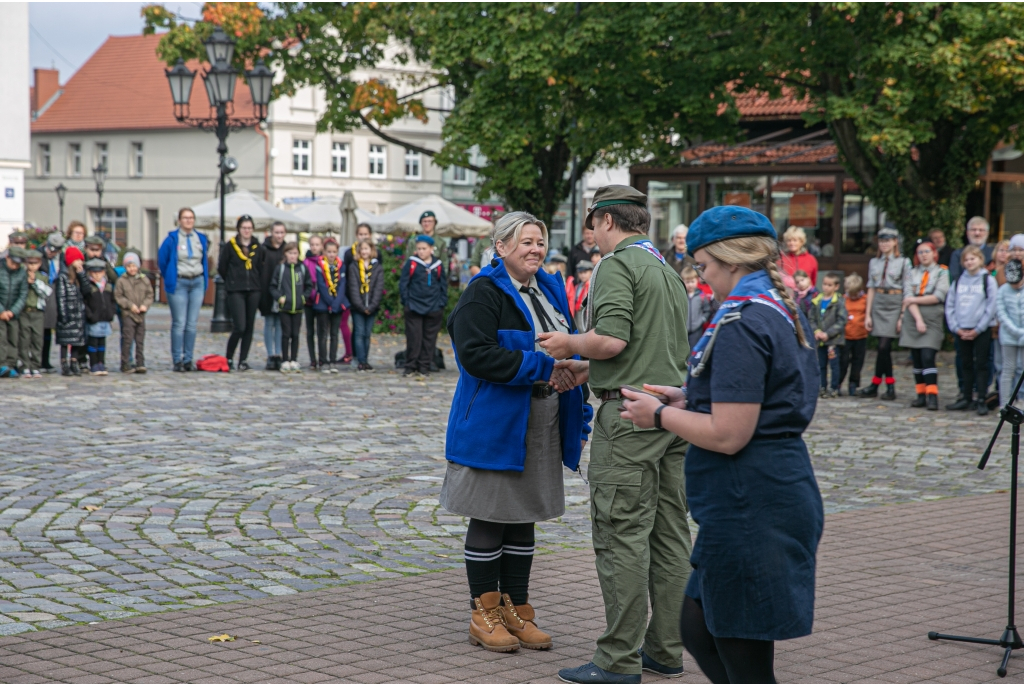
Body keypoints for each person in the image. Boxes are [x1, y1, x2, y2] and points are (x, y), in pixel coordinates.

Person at [617, 205, 823, 685]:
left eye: (704, 266)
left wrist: (661, 415)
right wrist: (692, 396)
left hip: (751, 498)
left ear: (729, 260)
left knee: (740, 651)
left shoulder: (743, 320)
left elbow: (730, 434)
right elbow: (765, 394)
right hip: (763, 490)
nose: (703, 278)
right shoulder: (778, 303)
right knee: (700, 627)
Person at [538, 185, 692, 684]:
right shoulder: (666, 269)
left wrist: (569, 343)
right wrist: (589, 369)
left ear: (607, 221)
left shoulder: (618, 265)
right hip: (667, 413)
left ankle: (617, 659)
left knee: (621, 536)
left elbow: (612, 339)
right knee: (670, 537)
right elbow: (647, 348)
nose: (591, 235)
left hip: (628, 420)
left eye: (592, 224)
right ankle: (665, 650)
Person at [441, 210, 590, 653]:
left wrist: (572, 376)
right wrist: (546, 366)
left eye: (540, 242)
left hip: (541, 419)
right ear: (500, 247)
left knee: (524, 515)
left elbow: (570, 337)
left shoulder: (548, 286)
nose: (535, 249)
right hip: (494, 423)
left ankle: (516, 609)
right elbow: (476, 356)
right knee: (489, 515)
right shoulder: (481, 293)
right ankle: (482, 614)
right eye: (525, 242)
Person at [858, 227, 911, 400]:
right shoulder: (874, 262)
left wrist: (902, 315)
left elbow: (907, 289)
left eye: (888, 240)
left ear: (895, 242)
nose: (884, 244)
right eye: (881, 241)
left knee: (884, 347)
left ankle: (879, 384)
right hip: (879, 302)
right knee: (883, 349)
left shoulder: (904, 262)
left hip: (895, 303)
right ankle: (886, 385)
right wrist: (868, 314)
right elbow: (871, 288)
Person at [946, 245, 998, 415]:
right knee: (965, 363)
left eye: (972, 259)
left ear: (980, 260)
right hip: (961, 328)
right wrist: (955, 327)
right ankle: (966, 397)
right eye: (966, 260)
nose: (969, 262)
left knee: (981, 364)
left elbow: (991, 306)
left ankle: (981, 398)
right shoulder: (959, 281)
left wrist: (979, 328)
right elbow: (950, 305)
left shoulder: (987, 280)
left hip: (981, 329)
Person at [898, 241, 950, 411]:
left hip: (933, 318)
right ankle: (920, 394)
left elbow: (938, 296)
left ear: (934, 253)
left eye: (927, 251)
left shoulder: (942, 271)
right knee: (917, 359)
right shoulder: (911, 273)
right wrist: (918, 318)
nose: (923, 255)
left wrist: (913, 299)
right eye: (920, 252)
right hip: (913, 318)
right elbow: (907, 295)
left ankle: (932, 395)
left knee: (928, 356)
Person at [158, 207, 209, 372]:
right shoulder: (172, 239)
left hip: (197, 282)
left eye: (191, 218)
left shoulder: (200, 238)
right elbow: (162, 260)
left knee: (192, 324)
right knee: (179, 323)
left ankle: (188, 359)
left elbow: (204, 260)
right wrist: (170, 276)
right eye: (185, 218)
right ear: (179, 220)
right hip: (179, 282)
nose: (189, 221)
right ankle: (177, 360)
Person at [219, 215, 262, 372]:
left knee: (249, 326)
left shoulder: (257, 246)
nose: (247, 231)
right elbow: (222, 267)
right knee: (240, 326)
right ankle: (229, 357)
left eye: (249, 228)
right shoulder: (231, 246)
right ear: (239, 229)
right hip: (236, 290)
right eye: (244, 228)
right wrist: (231, 281)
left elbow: (261, 267)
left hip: (254, 290)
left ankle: (243, 359)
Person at [400, 235, 448, 378]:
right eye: (419, 248)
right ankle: (410, 366)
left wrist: (441, 303)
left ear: (431, 249)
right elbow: (404, 284)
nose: (421, 251)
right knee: (414, 338)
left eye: (424, 249)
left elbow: (443, 286)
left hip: (433, 308)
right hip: (414, 306)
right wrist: (406, 302)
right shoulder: (412, 263)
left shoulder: (438, 265)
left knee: (429, 339)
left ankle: (424, 366)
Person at [271, 242, 311, 373]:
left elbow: (309, 286)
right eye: (290, 253)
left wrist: (303, 298)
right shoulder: (281, 269)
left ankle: (294, 359)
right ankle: (285, 359)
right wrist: (279, 297)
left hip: (298, 307)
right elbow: (272, 286)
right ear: (285, 254)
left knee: (295, 334)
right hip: (285, 308)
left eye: (295, 253)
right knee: (286, 334)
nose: (293, 256)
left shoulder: (302, 269)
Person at [346, 239, 384, 372]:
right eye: (362, 249)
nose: (364, 251)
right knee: (359, 333)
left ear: (372, 250)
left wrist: (372, 306)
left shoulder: (377, 267)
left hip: (372, 307)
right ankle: (360, 361)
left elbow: (379, 288)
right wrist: (361, 306)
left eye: (367, 249)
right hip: (358, 307)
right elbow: (353, 288)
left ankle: (365, 360)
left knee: (367, 334)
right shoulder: (354, 266)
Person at [313, 238, 349, 372]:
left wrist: (336, 303)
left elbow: (342, 284)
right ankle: (323, 360)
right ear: (324, 252)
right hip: (323, 302)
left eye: (334, 252)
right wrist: (329, 301)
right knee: (323, 333)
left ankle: (333, 360)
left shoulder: (341, 266)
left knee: (334, 333)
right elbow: (321, 285)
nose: (331, 254)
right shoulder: (320, 265)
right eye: (329, 252)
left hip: (338, 303)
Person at [114, 252, 153, 374]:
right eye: (129, 266)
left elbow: (149, 294)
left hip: (141, 315)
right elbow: (118, 296)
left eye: (134, 265)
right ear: (125, 267)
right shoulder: (121, 281)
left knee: (140, 340)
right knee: (127, 339)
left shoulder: (144, 280)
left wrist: (145, 305)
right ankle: (125, 363)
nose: (132, 268)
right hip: (128, 315)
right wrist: (130, 306)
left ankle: (140, 362)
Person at [809, 273, 847, 399]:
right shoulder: (817, 301)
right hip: (820, 340)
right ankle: (822, 386)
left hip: (833, 341)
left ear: (836, 286)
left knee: (834, 365)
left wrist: (828, 333)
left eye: (829, 285)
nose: (826, 287)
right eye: (824, 284)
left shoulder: (839, 302)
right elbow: (812, 319)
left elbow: (841, 321)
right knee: (821, 365)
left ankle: (834, 387)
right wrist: (817, 331)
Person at [997, 234, 1024, 407]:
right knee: (1007, 369)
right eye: (1013, 249)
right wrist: (1015, 330)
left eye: (1020, 250)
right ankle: (1005, 404)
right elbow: (1000, 308)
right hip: (1008, 333)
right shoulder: (1003, 274)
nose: (1017, 253)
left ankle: (1021, 401)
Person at [257, 221, 288, 371]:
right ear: (271, 233)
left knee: (280, 324)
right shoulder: (263, 249)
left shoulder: (287, 250)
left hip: (282, 293)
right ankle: (270, 355)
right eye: (277, 232)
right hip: (266, 291)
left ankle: (278, 354)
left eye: (282, 232)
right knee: (269, 323)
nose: (279, 235)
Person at [81, 258, 117, 376]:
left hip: (105, 318)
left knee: (102, 342)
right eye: (94, 272)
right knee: (93, 342)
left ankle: (101, 362)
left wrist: (112, 312)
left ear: (104, 272)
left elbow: (112, 301)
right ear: (90, 273)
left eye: (99, 272)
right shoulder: (88, 286)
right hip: (94, 319)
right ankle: (94, 363)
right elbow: (84, 303)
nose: (97, 275)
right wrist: (90, 315)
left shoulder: (108, 286)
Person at [17, 249, 49, 379]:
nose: (32, 266)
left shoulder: (42, 276)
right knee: (24, 339)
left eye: (35, 263)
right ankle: (25, 365)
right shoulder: (21, 275)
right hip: (25, 311)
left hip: (38, 312)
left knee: (37, 340)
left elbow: (46, 292)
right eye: (29, 263)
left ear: (39, 263)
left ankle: (35, 366)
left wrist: (35, 282)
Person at [56, 247, 86, 377]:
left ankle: (74, 361)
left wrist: (82, 276)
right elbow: (61, 296)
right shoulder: (63, 277)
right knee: (65, 339)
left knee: (76, 340)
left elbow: (86, 291)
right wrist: (63, 315)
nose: (80, 262)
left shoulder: (79, 277)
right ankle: (64, 363)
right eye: (78, 260)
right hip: (67, 313)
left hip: (78, 313)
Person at [839, 273, 868, 397]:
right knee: (843, 361)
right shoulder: (843, 299)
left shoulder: (865, 300)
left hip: (860, 336)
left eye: (854, 294)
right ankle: (838, 383)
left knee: (858, 362)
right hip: (845, 336)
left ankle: (853, 384)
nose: (853, 296)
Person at [0, 247, 27, 378]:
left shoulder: (21, 273)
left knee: (13, 338)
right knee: (1, 338)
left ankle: (11, 364)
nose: (15, 266)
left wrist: (12, 311)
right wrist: (1, 311)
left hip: (13, 313)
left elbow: (23, 294)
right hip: (0, 311)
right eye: (13, 263)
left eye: (18, 263)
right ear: (7, 258)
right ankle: (1, 364)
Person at [40, 232, 65, 373]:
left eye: (56, 250)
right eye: (50, 249)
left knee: (49, 328)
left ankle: (45, 360)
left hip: (54, 293)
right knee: (38, 330)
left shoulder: (60, 258)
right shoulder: (38, 255)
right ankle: (36, 360)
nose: (52, 252)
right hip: (41, 292)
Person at [949, 216, 994, 282]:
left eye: (981, 230)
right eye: (973, 230)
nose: (977, 233)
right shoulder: (958, 254)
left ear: (987, 233)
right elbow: (955, 277)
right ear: (967, 233)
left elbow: (996, 273)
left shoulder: (993, 253)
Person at [303, 235, 324, 370]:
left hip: (322, 300)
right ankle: (312, 359)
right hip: (309, 301)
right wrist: (310, 295)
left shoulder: (325, 261)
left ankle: (322, 357)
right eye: (312, 244)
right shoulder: (306, 263)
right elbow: (306, 282)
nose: (315, 247)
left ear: (321, 246)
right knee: (310, 331)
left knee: (322, 331)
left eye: (317, 244)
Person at [682, 265, 711, 351]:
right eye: (687, 282)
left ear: (697, 280)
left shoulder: (701, 295)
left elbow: (707, 310)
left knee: (694, 350)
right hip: (683, 330)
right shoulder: (682, 295)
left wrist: (702, 320)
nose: (690, 284)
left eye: (692, 281)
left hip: (697, 330)